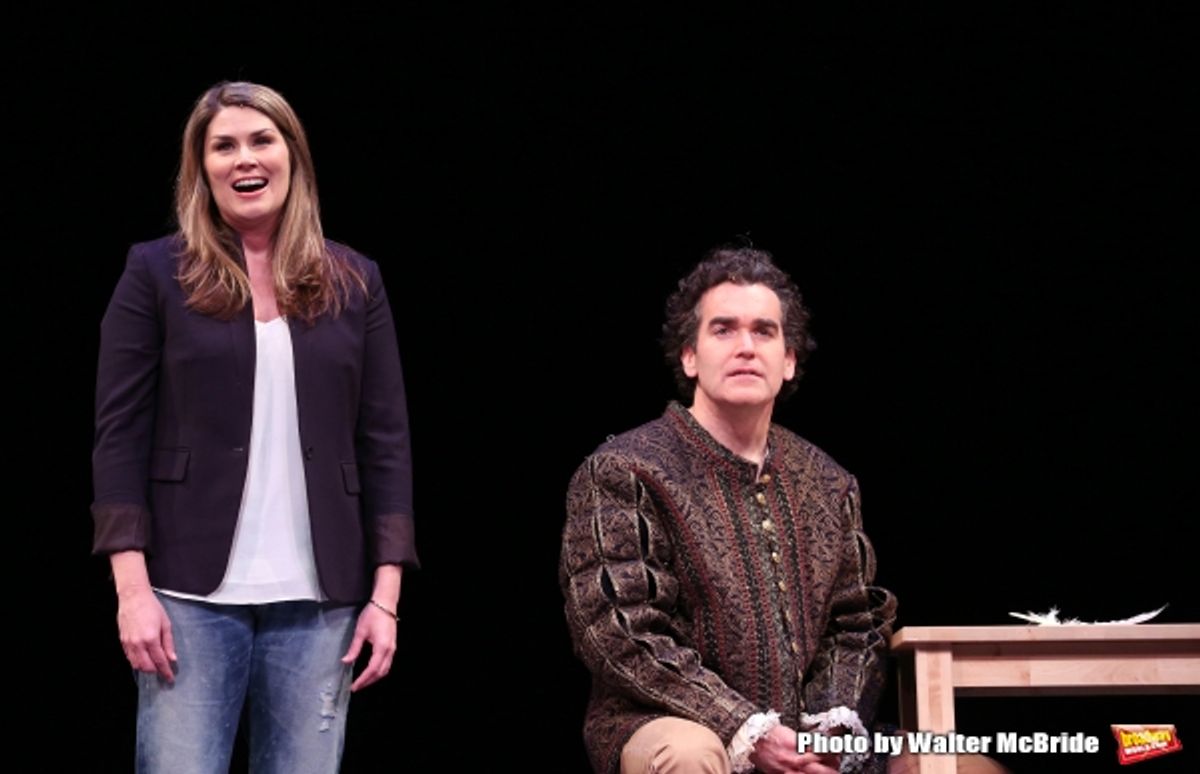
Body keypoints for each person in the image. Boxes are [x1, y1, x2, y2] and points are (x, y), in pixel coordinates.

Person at [559, 244, 1007, 774]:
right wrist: (746, 728)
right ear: (689, 356)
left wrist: (831, 728)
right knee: (687, 755)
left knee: (960, 764)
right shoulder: (626, 469)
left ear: (789, 360)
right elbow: (621, 630)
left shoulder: (827, 481)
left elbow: (857, 624)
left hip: (806, 732)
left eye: (764, 331)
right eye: (723, 329)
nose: (745, 347)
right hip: (677, 722)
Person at [91, 81, 418, 774]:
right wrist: (132, 591)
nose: (246, 158)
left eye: (261, 140)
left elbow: (386, 443)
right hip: (185, 597)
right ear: (201, 167)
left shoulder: (354, 280)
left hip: (320, 601)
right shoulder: (155, 273)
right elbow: (117, 437)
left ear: (291, 156)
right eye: (224, 145)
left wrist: (385, 599)